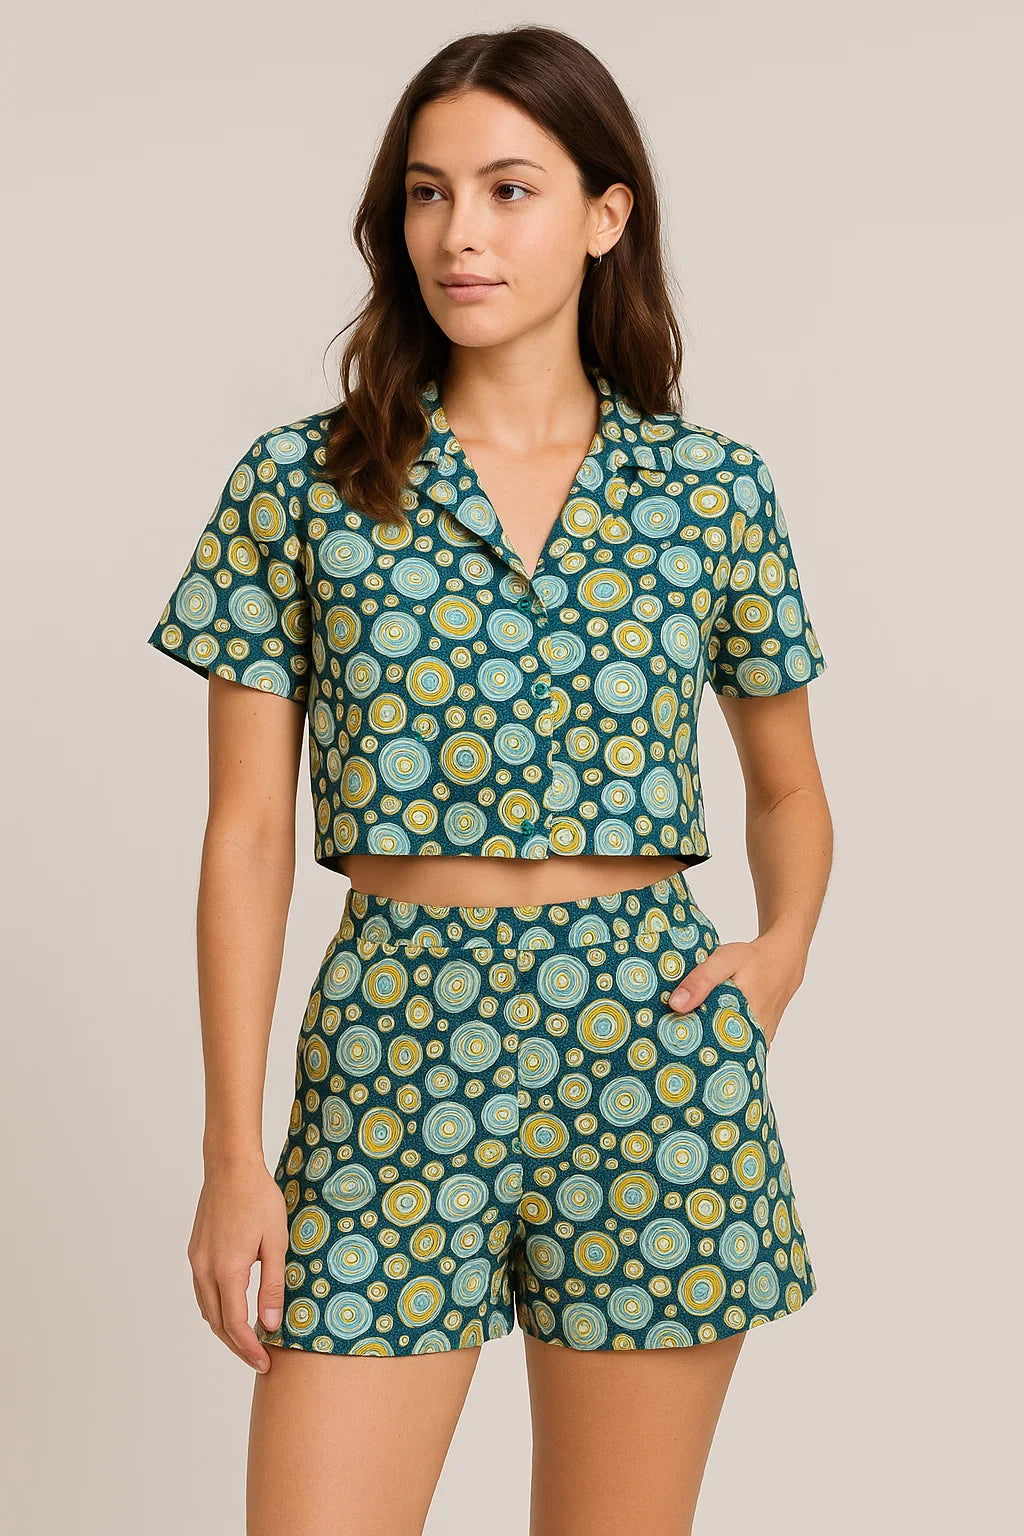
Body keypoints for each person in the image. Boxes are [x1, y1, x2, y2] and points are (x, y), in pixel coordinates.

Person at [147, 24, 832, 1536]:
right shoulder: (301, 485)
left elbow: (787, 786)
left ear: (605, 214)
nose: (460, 232)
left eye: (511, 190)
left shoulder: (710, 491)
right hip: (394, 1041)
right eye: (428, 192)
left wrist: (778, 952)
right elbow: (246, 835)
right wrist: (232, 1157)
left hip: (652, 1051)